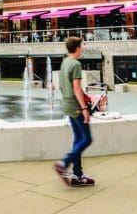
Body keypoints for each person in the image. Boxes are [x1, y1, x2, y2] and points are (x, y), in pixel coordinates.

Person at [53, 37, 95, 187]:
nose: (83, 48)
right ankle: (64, 163)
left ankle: (77, 175)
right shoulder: (76, 64)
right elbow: (76, 87)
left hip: (67, 105)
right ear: (77, 47)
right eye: (82, 46)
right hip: (76, 107)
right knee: (87, 139)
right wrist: (84, 108)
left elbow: (64, 86)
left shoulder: (65, 62)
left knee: (78, 139)